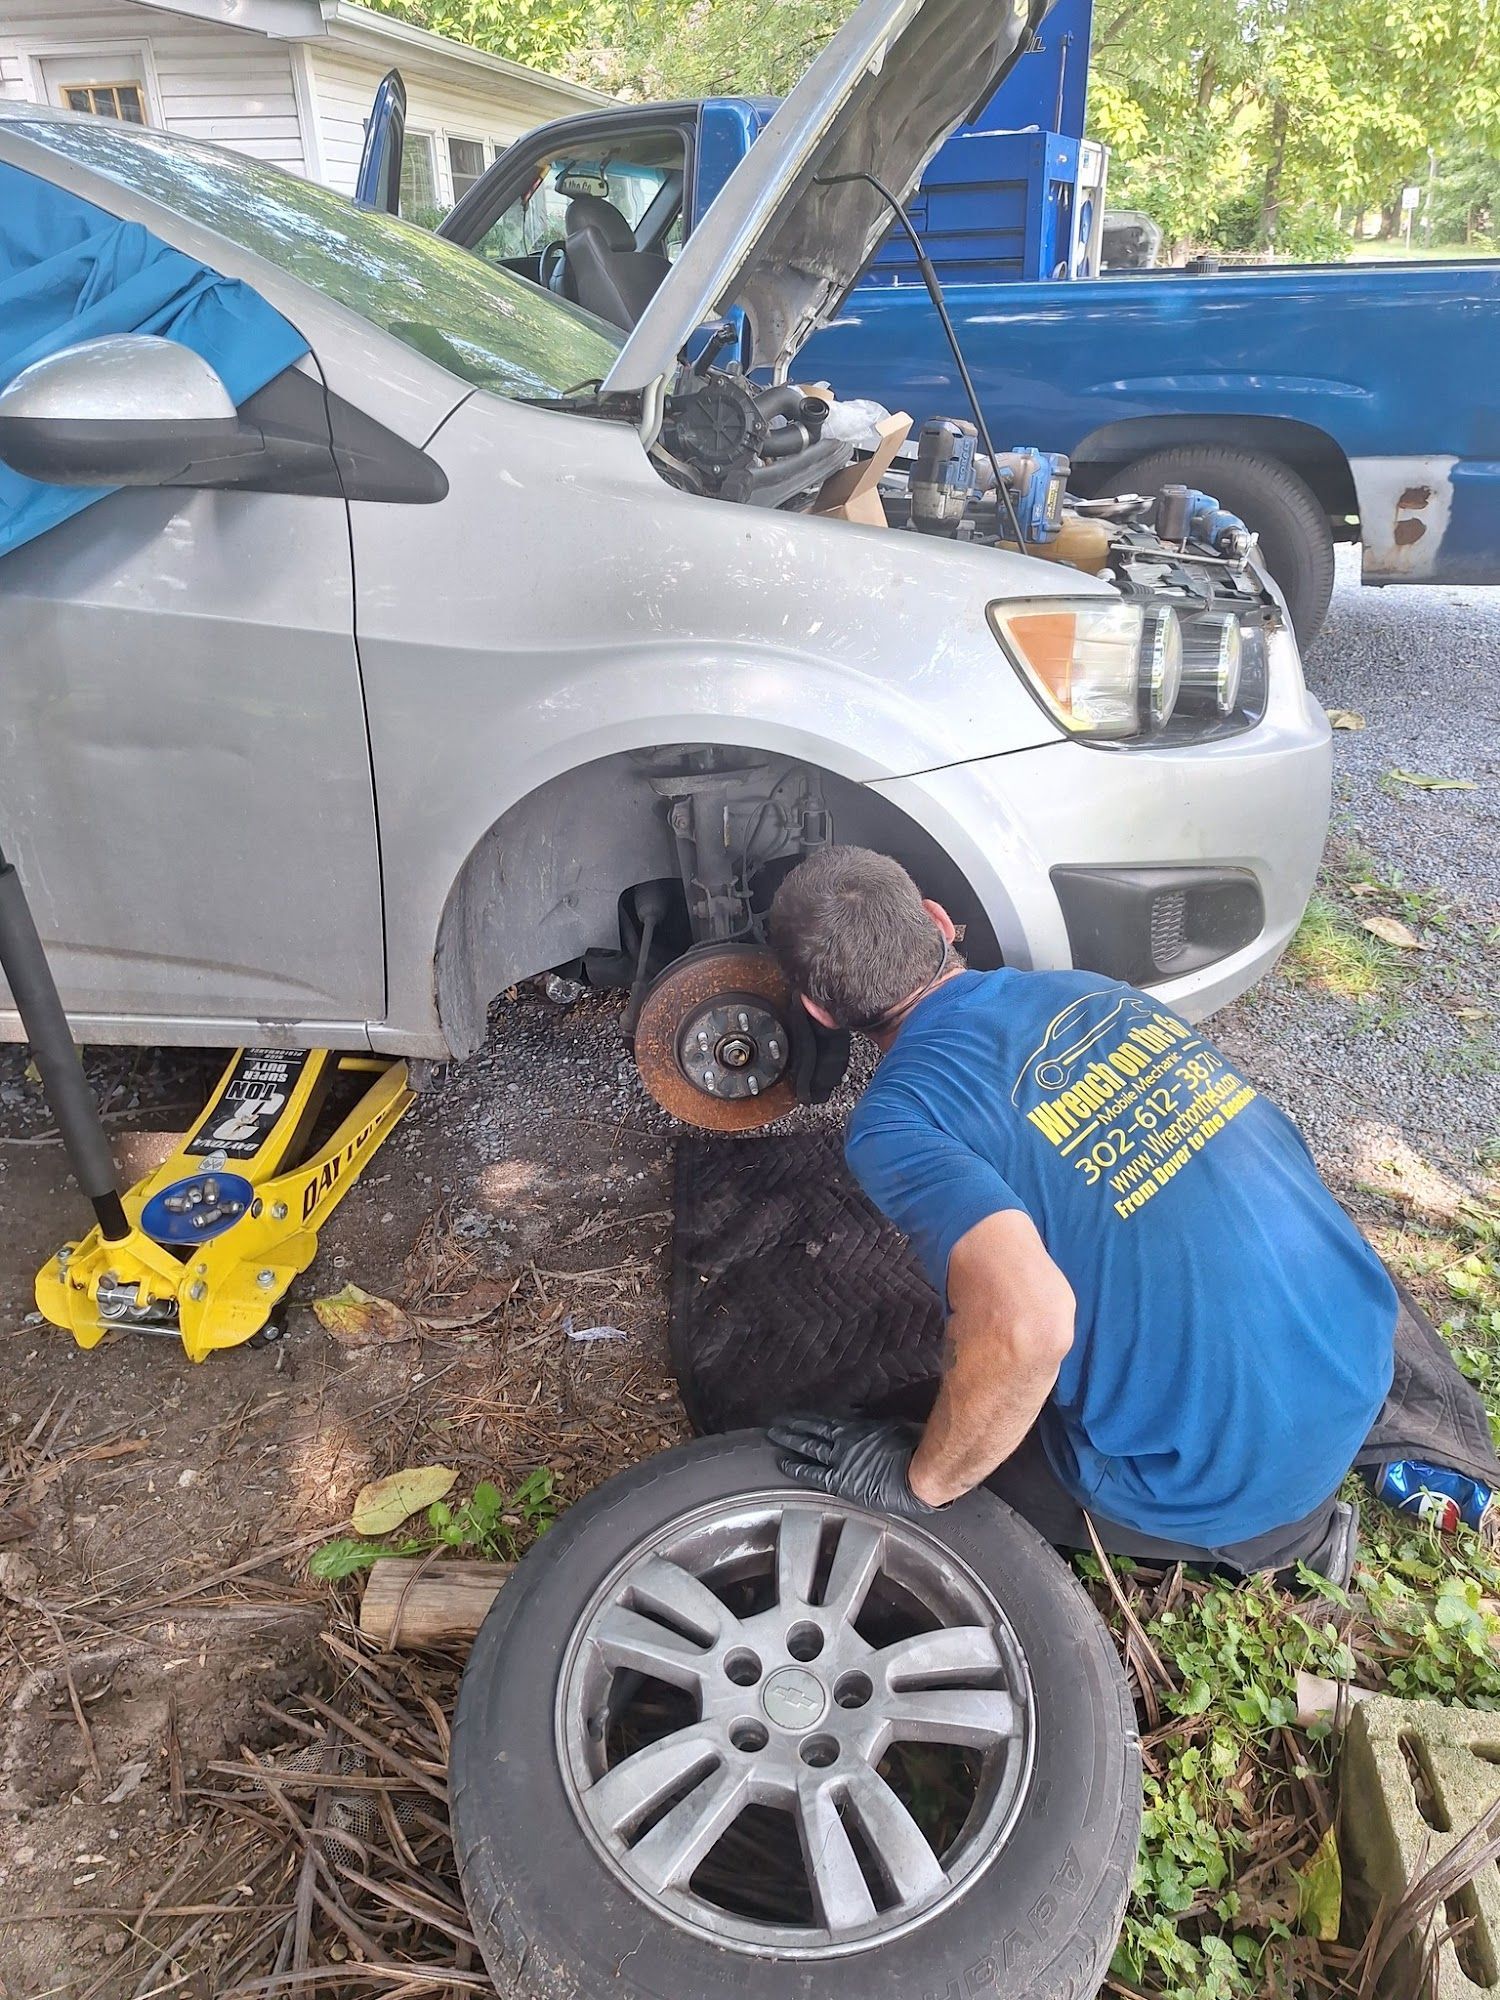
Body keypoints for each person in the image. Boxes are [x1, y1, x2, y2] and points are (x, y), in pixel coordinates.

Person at [765, 845, 1398, 1583]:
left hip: (1230, 1477)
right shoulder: (1096, 992)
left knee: (947, 1445)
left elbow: (1030, 1328)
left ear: (819, 1012)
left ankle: (1275, 1550)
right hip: (1357, 1357)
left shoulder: (897, 1118)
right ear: (940, 923)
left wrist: (921, 1482)